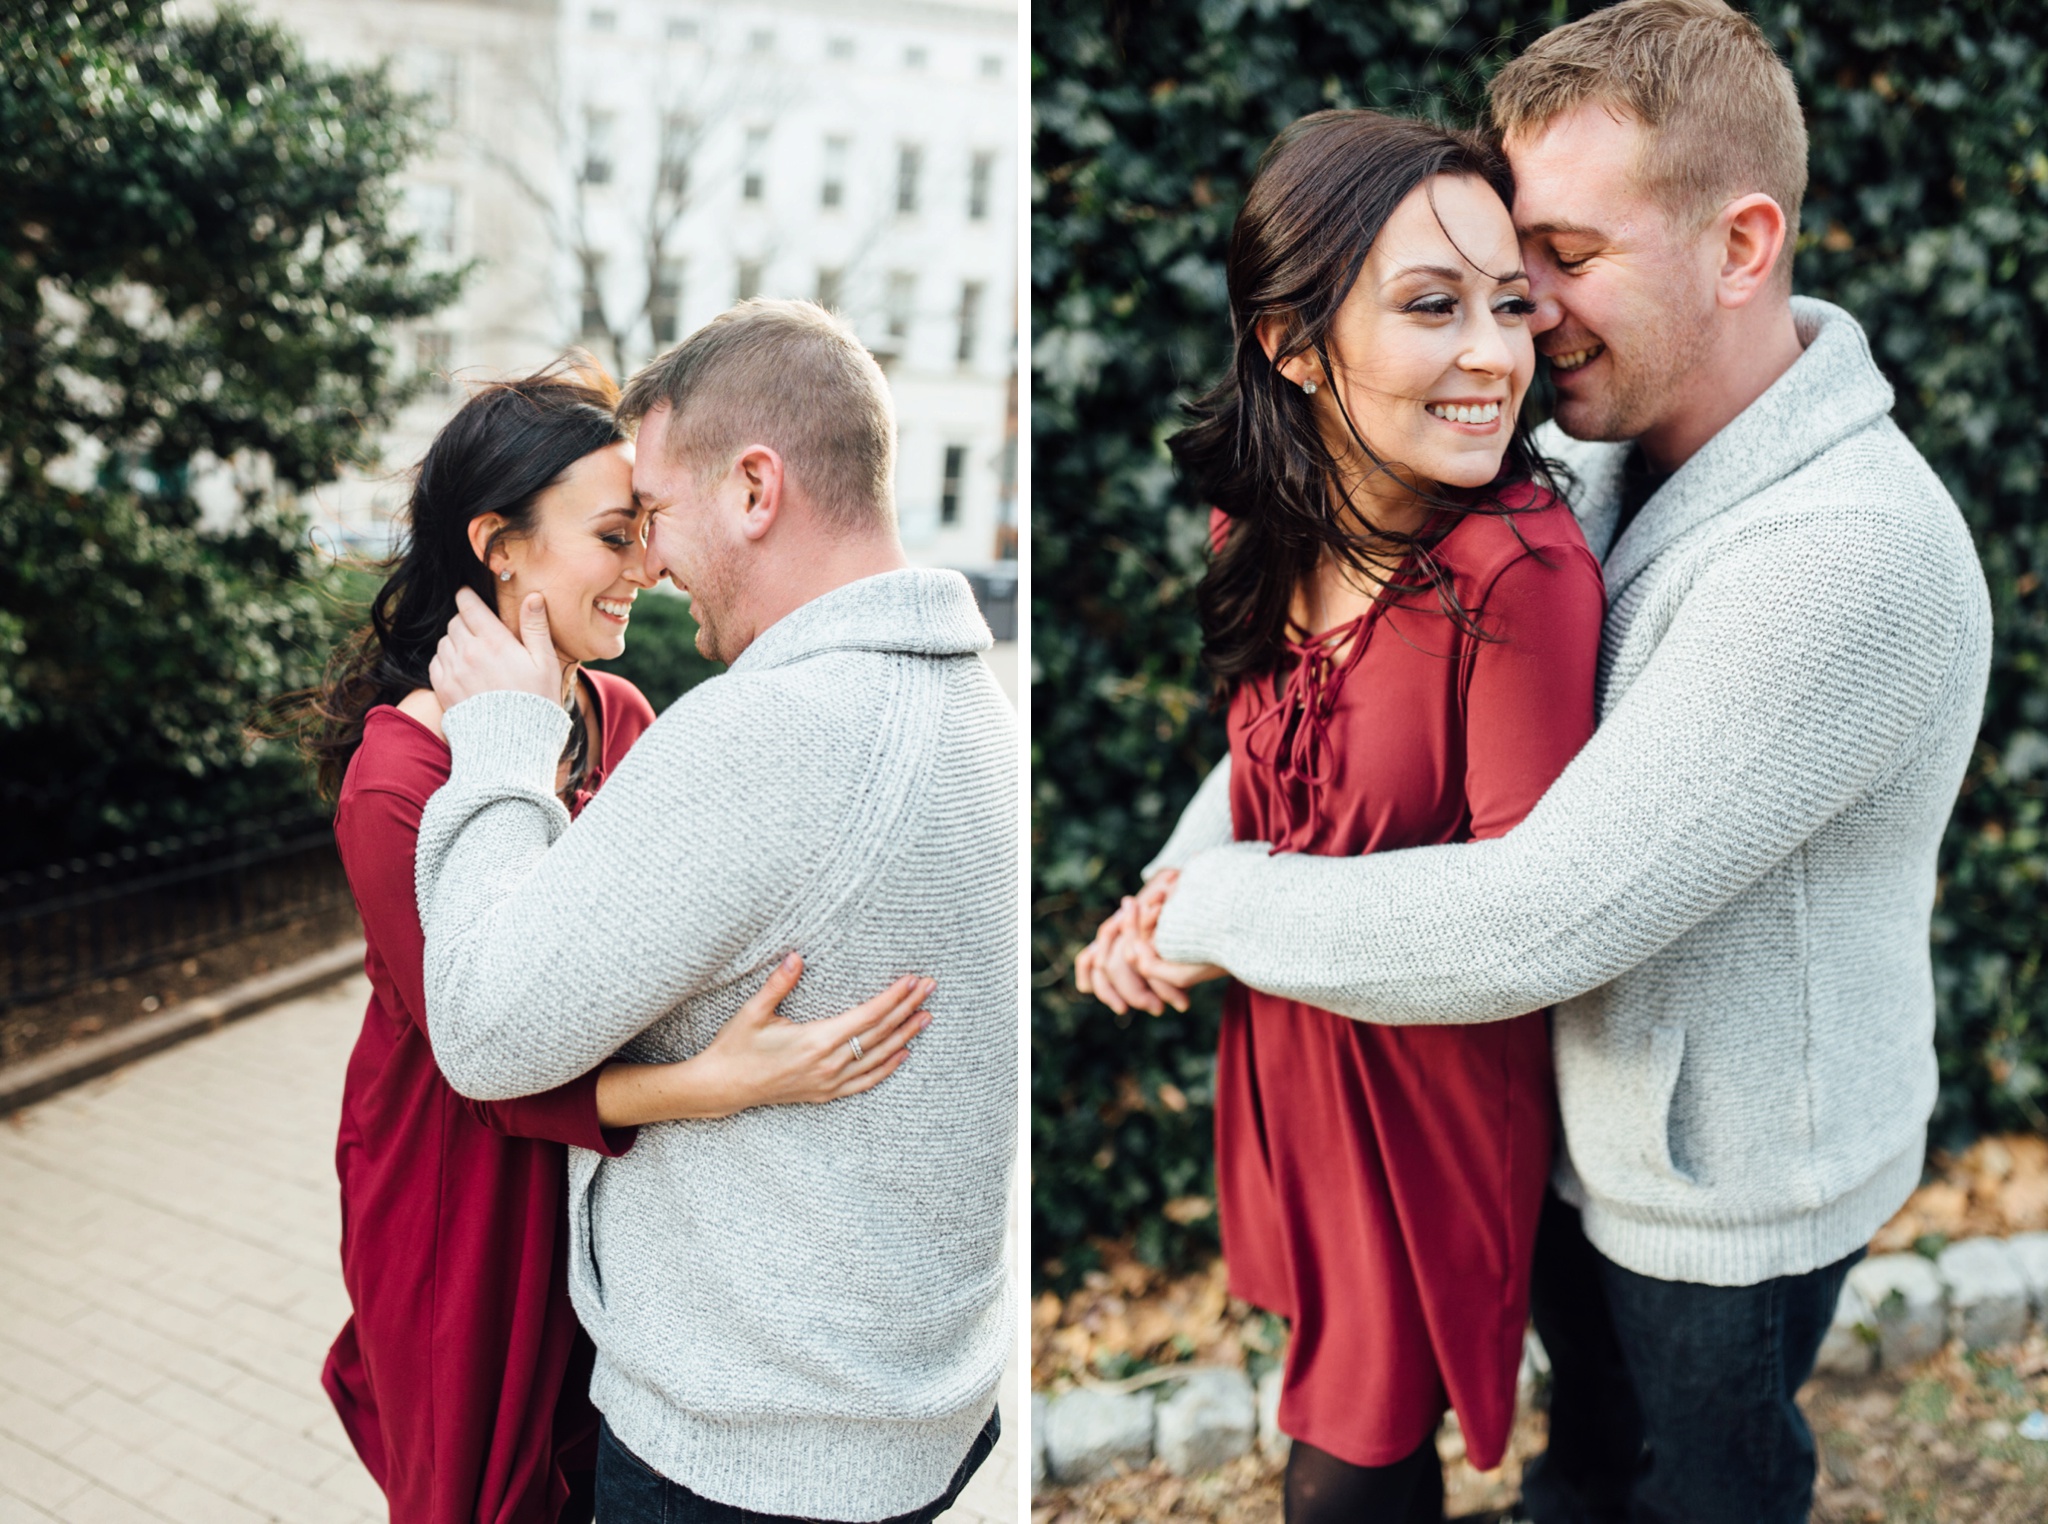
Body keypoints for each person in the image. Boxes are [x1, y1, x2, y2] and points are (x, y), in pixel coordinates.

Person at [1097, 3, 1994, 1521]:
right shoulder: (1586, 441)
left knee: (1695, 1495)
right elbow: (1335, 681)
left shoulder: (1848, 556)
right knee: (1580, 1481)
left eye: (1564, 262)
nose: (1526, 318)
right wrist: (1186, 867)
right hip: (1570, 1136)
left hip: (1723, 1199)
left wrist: (1212, 914)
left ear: (1742, 243)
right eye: (1513, 272)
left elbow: (1541, 916)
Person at [1079, 111, 1605, 1522]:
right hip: (1292, 1045)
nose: (1496, 354)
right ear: (1293, 343)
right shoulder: (1259, 526)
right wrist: (1166, 897)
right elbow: (1270, 771)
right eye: (1433, 307)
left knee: (1349, 1471)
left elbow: (1519, 916)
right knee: (1331, 1409)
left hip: (1428, 1091)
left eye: (1510, 303)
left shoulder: (1517, 578)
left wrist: (1221, 913)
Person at [410, 302, 1016, 1523]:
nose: (646, 562)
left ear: (754, 487)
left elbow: (480, 1031)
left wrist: (503, 741)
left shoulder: (775, 731)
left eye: (654, 514)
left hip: (747, 1458)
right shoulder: (967, 697)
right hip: (888, 1416)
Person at [298, 367, 933, 1524]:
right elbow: (479, 1067)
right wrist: (713, 1084)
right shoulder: (396, 779)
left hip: (608, 1192)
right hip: (461, 1190)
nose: (646, 565)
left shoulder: (620, 716)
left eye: (646, 529)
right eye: (612, 535)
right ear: (499, 546)